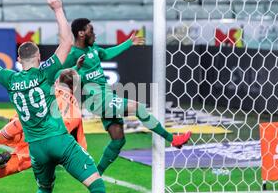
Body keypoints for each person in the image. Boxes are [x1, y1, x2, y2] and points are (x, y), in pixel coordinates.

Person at [0, 0, 118, 193]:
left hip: (36, 148)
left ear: (18, 61)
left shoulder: (10, 78)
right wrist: (58, 9)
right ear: (39, 57)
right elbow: (68, 41)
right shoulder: (45, 71)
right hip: (60, 141)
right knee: (97, 187)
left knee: (45, 188)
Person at [62, 18, 192, 176]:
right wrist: (76, 69)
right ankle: (173, 139)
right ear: (81, 33)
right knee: (138, 107)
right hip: (96, 100)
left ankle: (96, 175)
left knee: (118, 140)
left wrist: (128, 43)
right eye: (91, 30)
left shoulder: (93, 49)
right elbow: (59, 75)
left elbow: (108, 53)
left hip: (106, 96)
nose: (94, 34)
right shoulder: (72, 54)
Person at [0, 69, 87, 179]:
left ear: (57, 81)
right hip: (47, 141)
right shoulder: (75, 108)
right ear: (75, 88)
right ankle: (3, 161)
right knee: (22, 167)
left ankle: (2, 160)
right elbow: (81, 145)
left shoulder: (44, 91)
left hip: (27, 129)